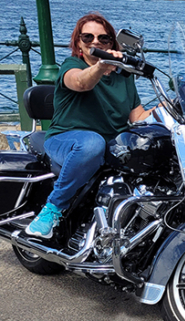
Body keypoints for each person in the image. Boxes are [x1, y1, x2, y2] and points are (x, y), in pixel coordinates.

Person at [26, 13, 156, 238]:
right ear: (78, 42)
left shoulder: (124, 77)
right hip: (67, 139)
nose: (95, 42)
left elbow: (138, 116)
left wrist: (171, 106)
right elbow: (81, 83)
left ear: (112, 43)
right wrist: (101, 64)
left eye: (103, 39)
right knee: (92, 144)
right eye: (88, 37)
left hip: (110, 143)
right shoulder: (71, 66)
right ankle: (52, 209)